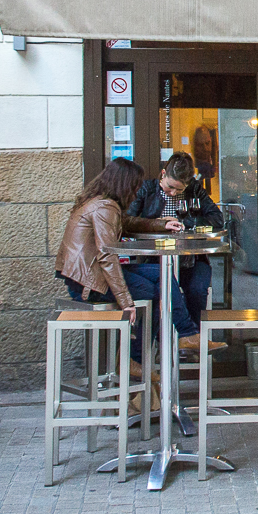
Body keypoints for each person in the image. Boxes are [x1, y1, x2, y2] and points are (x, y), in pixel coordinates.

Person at [54, 158, 181, 376]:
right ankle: (134, 359)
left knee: (162, 275)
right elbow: (107, 256)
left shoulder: (101, 202)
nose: (138, 189)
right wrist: (126, 303)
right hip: (88, 284)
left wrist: (162, 224)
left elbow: (128, 223)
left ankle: (185, 334)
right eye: (136, 184)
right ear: (126, 184)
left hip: (87, 277)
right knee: (156, 291)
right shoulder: (105, 207)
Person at [126, 151, 227, 351]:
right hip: (157, 259)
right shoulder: (147, 189)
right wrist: (158, 224)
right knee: (161, 289)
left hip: (190, 258)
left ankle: (193, 342)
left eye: (179, 190)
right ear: (163, 174)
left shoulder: (195, 190)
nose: (173, 193)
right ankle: (158, 346)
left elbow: (217, 218)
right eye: (170, 187)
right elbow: (128, 220)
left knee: (198, 290)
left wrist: (186, 222)